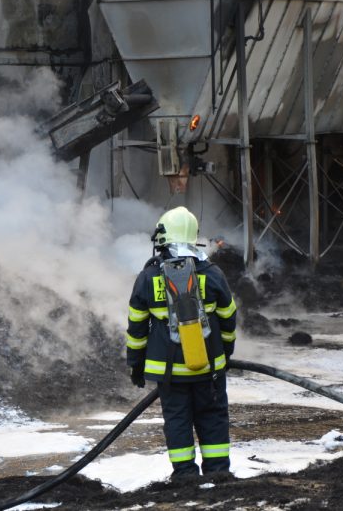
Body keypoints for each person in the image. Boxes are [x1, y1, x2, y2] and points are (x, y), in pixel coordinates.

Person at [126, 206, 237, 480]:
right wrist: (225, 355)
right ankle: (218, 474)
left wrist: (136, 365)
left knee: (177, 421)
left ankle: (185, 475)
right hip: (209, 368)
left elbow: (136, 328)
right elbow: (228, 320)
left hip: (169, 372)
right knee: (212, 417)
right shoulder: (212, 275)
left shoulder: (149, 277)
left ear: (162, 237)